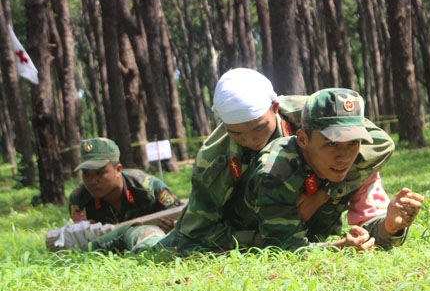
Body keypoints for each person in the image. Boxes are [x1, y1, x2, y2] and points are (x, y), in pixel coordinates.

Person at [55, 69, 394, 253]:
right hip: (234, 222)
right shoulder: (214, 160)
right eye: (238, 134)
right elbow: (202, 230)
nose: (252, 141)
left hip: (296, 215)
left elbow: (380, 143)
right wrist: (257, 240)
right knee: (158, 251)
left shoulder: (310, 115)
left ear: (275, 108)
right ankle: (116, 236)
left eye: (259, 128)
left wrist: (328, 193)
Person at [225, 88, 424, 251]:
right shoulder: (277, 170)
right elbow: (282, 248)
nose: (344, 157)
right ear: (303, 139)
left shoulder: (358, 165)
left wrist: (389, 226)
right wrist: (340, 247)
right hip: (241, 234)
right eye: (331, 144)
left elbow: (370, 228)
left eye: (353, 142)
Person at [68, 137, 182, 232]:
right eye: (86, 174)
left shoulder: (148, 188)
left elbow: (182, 218)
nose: (92, 181)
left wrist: (174, 226)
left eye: (99, 173)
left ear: (118, 169)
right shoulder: (80, 200)